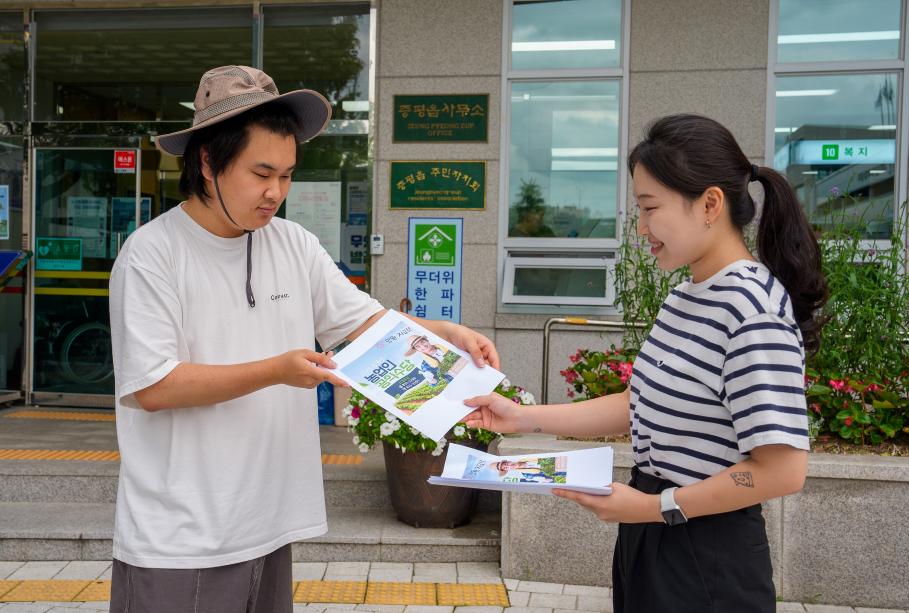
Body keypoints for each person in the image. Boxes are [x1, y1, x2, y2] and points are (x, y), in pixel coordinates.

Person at [108, 65, 499, 613]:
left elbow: (364, 323)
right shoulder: (152, 254)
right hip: (180, 536)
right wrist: (274, 370)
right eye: (261, 172)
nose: (275, 193)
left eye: (287, 175)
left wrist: (447, 333)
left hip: (268, 522)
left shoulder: (291, 242)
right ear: (207, 161)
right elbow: (154, 386)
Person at [464, 114, 827, 613]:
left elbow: (783, 471)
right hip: (653, 531)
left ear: (710, 204)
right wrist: (523, 416)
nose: (641, 228)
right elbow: (640, 402)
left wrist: (657, 507)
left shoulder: (752, 309)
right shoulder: (687, 294)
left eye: (650, 208)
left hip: (706, 555)